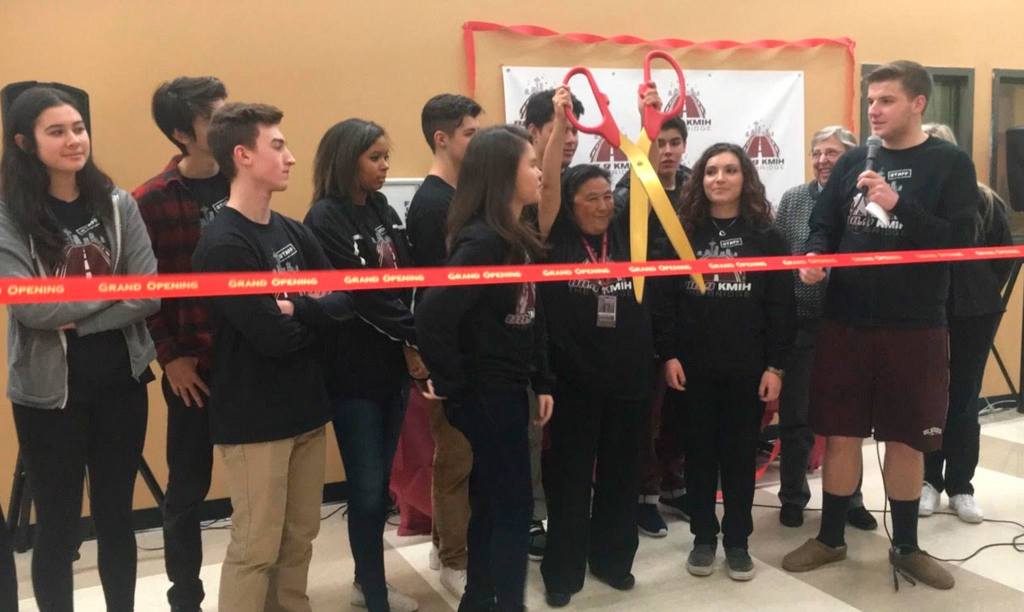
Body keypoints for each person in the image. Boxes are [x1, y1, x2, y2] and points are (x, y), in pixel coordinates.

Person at [782, 61, 979, 590]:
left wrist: (897, 203)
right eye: (871, 100)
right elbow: (824, 220)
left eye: (886, 100)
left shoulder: (949, 163)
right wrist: (816, 255)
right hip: (844, 321)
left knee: (906, 439)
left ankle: (908, 547)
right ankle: (830, 538)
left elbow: (962, 240)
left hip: (914, 326)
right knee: (840, 432)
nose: (874, 110)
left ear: (918, 104)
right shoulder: (853, 161)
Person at [0, 86, 159, 611]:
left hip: (122, 380)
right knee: (59, 527)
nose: (74, 140)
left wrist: (79, 315)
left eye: (78, 128)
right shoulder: (9, 212)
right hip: (49, 394)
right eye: (57, 131)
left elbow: (150, 292)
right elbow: (31, 308)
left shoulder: (116, 203)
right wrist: (117, 289)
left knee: (117, 518)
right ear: (25, 142)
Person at [193, 102, 355, 612]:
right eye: (277, 146)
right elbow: (274, 338)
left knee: (300, 537)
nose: (290, 157)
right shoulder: (224, 243)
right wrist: (314, 314)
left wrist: (297, 308)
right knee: (256, 546)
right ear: (242, 155)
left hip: (306, 407)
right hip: (254, 419)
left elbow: (344, 300)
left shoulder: (290, 229)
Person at [416, 125, 555, 612]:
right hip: (487, 394)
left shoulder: (516, 234)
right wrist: (457, 388)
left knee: (495, 502)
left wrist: (539, 378)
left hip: (510, 386)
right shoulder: (482, 241)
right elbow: (431, 316)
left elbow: (529, 316)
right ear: (502, 174)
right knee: (512, 507)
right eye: (531, 164)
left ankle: (480, 599)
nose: (539, 172)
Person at [653, 142, 795, 581]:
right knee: (697, 457)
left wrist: (776, 366)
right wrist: (668, 354)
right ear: (700, 179)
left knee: (737, 458)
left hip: (748, 370)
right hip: (692, 368)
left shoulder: (767, 236)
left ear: (745, 178)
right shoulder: (682, 234)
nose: (719, 178)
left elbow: (781, 307)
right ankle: (702, 538)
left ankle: (737, 541)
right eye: (711, 170)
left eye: (730, 170)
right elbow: (665, 301)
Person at [304, 118, 420, 612]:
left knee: (380, 490)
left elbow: (404, 275)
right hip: (352, 376)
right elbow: (361, 294)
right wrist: (417, 333)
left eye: (386, 157)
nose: (385, 166)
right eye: (375, 157)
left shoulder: (380, 208)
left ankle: (365, 580)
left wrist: (414, 336)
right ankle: (373, 592)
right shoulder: (323, 218)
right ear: (347, 158)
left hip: (392, 368)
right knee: (368, 489)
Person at [539, 162, 654, 607]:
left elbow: (646, 185)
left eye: (609, 195)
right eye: (593, 198)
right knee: (569, 482)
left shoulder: (627, 235)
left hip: (629, 377)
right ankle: (562, 572)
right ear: (571, 205)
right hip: (573, 380)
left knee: (621, 476)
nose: (605, 205)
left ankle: (612, 560)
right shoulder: (555, 239)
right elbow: (547, 186)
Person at [133, 75, 228, 612]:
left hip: (250, 358)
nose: (227, 124)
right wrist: (170, 359)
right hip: (191, 365)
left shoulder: (248, 181)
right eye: (213, 118)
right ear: (181, 133)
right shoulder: (151, 200)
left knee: (264, 483)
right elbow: (142, 293)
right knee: (187, 487)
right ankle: (184, 596)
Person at [774, 125, 876, 531]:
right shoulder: (794, 200)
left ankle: (851, 500)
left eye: (832, 153)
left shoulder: (869, 200)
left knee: (848, 421)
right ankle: (793, 498)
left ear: (852, 158)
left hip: (851, 325)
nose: (822, 161)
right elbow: (780, 262)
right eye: (817, 153)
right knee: (795, 418)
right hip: (801, 325)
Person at [405, 93, 481, 598]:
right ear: (443, 138)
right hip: (450, 354)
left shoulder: (462, 196)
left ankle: (444, 543)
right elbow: (436, 299)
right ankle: (454, 558)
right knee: (455, 459)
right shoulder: (432, 205)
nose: (477, 143)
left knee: (462, 458)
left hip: (473, 348)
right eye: (471, 134)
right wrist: (439, 364)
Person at [919, 122, 1013, 523]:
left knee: (963, 399)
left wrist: (977, 290)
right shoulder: (910, 198)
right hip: (922, 312)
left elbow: (1004, 257)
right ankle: (927, 482)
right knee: (927, 399)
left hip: (973, 312)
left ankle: (960, 486)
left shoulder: (984, 201)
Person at [611, 113, 692, 537]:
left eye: (675, 142)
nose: (667, 150)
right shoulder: (626, 195)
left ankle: (674, 484)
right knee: (646, 411)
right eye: (659, 143)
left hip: (690, 314)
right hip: (641, 315)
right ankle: (643, 495)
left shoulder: (700, 187)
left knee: (682, 408)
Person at [520, 86, 584, 560]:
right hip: (516, 346)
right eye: (559, 130)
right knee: (523, 442)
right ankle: (524, 521)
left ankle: (548, 513)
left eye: (575, 131)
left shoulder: (574, 185)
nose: (568, 139)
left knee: (549, 435)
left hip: (561, 332)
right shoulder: (510, 210)